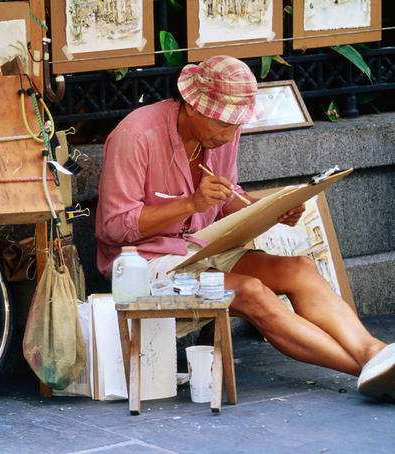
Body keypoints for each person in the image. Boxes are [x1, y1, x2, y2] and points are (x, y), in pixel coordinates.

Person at [95, 55, 395, 399]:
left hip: (202, 247)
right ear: (192, 105)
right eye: (223, 124)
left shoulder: (221, 135)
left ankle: (374, 353)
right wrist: (191, 204)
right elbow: (114, 228)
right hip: (145, 262)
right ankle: (370, 368)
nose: (230, 134)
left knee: (299, 268)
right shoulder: (135, 135)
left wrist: (267, 211)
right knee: (249, 291)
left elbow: (227, 196)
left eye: (236, 125)